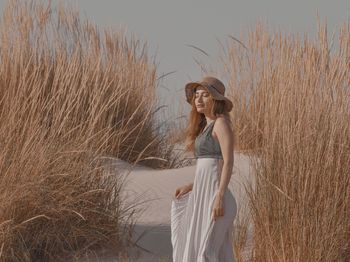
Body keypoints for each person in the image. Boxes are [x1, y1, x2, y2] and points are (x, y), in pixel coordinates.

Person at [170, 76, 237, 261]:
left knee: (207, 252)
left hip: (216, 199)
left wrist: (220, 197)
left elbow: (228, 163)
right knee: (212, 251)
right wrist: (191, 186)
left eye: (205, 95)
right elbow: (206, 170)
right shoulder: (205, 127)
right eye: (196, 95)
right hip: (204, 195)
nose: (198, 99)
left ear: (216, 100)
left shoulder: (221, 123)